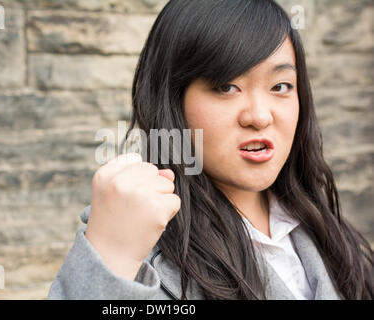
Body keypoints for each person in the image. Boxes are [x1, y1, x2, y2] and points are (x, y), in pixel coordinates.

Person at [48, 0, 373, 300]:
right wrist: (112, 258)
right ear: (173, 100)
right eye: (226, 87)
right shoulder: (133, 245)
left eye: (280, 86)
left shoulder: (322, 227)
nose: (260, 116)